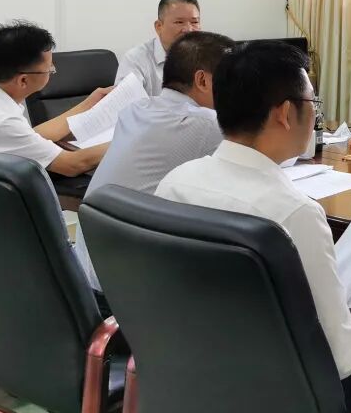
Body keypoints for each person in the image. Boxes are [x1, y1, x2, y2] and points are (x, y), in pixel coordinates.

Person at [156, 41, 351, 408]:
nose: (315, 112)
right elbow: (344, 357)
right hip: (296, 401)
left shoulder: (175, 182)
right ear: (286, 113)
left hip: (197, 383)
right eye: (312, 102)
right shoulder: (294, 214)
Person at [75, 31, 234, 291]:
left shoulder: (135, 109)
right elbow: (267, 153)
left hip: (86, 271)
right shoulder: (204, 123)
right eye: (232, 79)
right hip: (131, 286)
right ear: (203, 80)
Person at [0, 20, 110, 178]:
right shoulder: (2, 121)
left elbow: (33, 135)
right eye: (49, 68)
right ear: (23, 80)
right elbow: (73, 165)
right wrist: (123, 141)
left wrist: (90, 103)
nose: (52, 70)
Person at [117, 0, 202, 95]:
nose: (188, 29)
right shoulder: (136, 59)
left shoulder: (207, 57)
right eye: (179, 22)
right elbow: (128, 103)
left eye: (194, 22)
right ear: (159, 26)